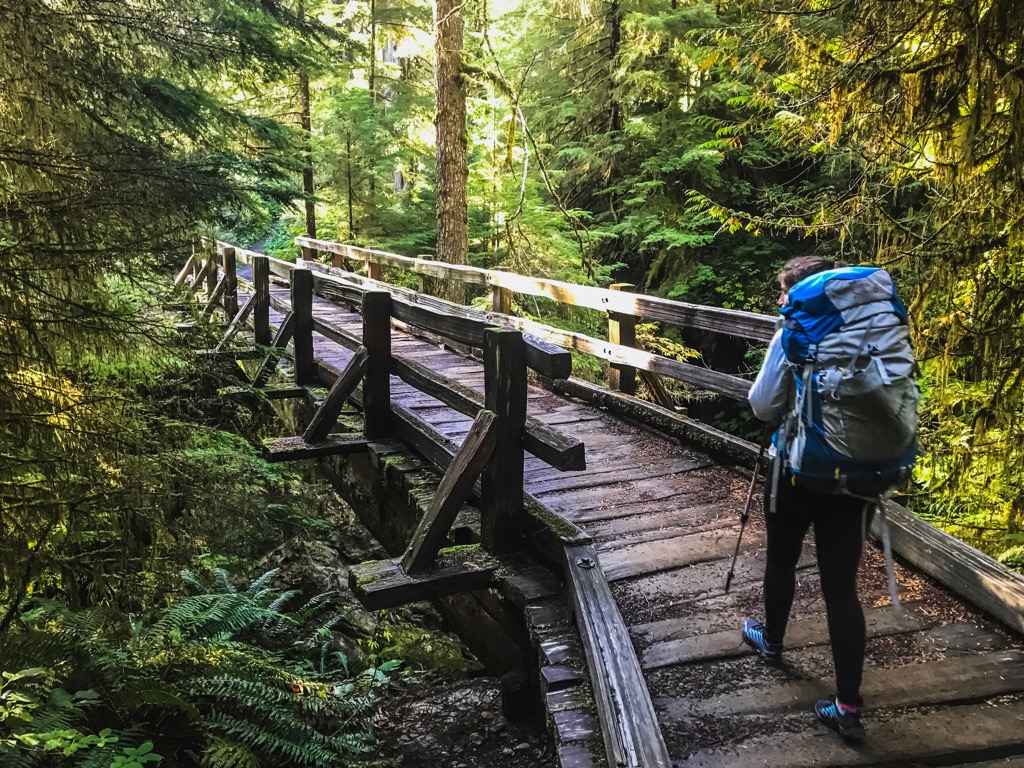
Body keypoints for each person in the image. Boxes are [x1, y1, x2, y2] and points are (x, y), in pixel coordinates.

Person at [742, 255, 874, 742]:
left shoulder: (792, 333)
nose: (780, 301)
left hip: (796, 468)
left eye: (784, 292)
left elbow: (761, 404)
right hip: (854, 473)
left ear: (799, 296)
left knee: (781, 558)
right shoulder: (868, 333)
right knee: (842, 588)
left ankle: (772, 643)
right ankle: (848, 705)